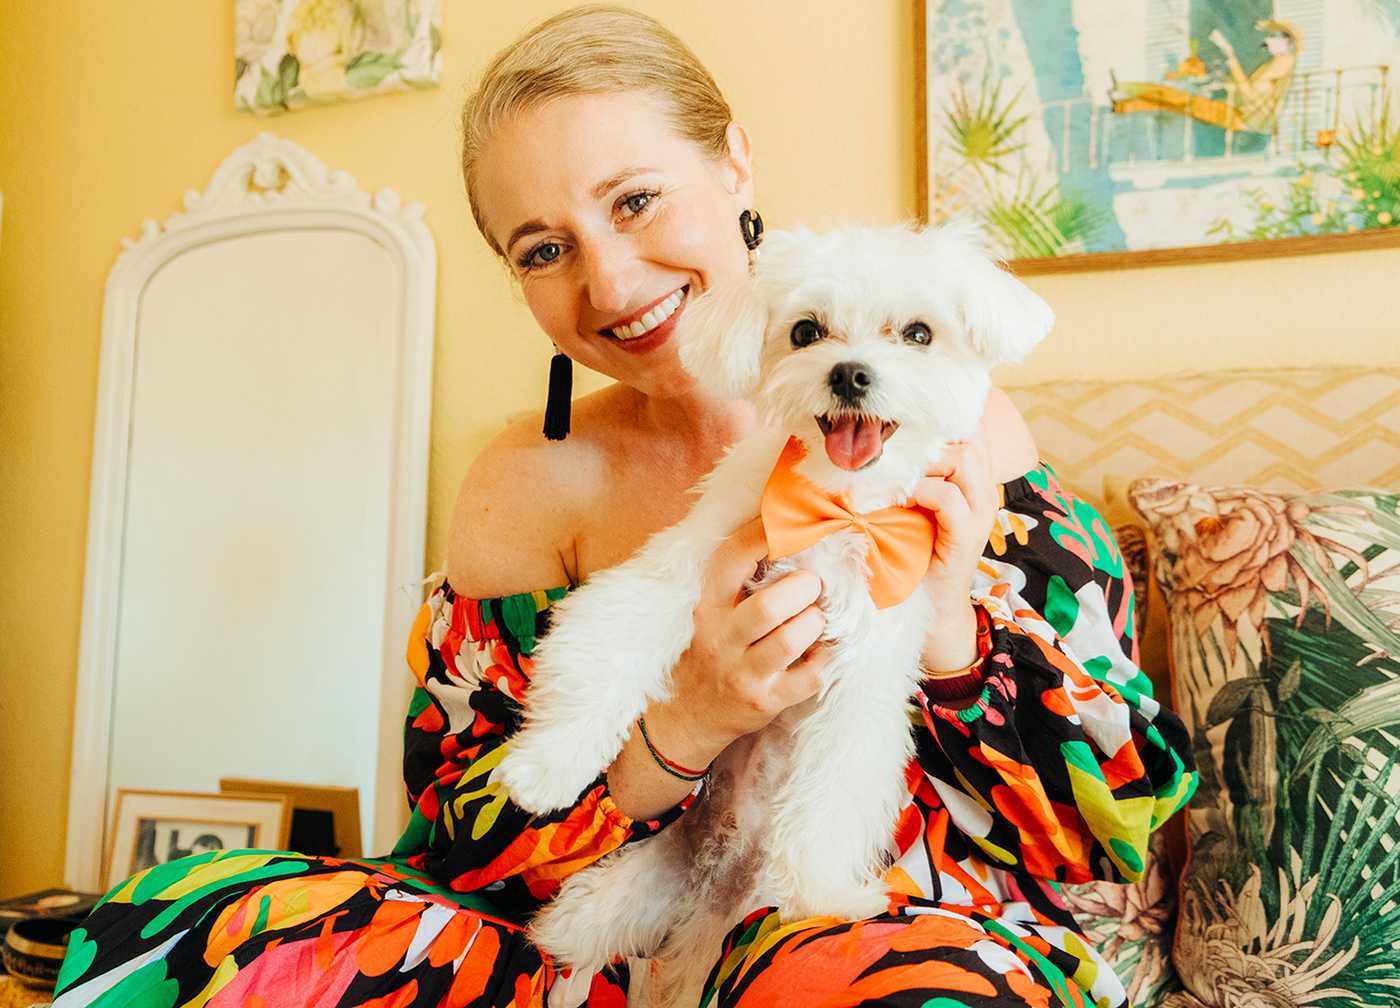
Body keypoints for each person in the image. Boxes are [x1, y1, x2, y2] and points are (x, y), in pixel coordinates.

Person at [54, 7, 1195, 1007]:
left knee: (839, 979)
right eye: (545, 249)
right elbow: (469, 846)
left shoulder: (957, 427)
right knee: (181, 921)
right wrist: (686, 722)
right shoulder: (525, 479)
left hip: (905, 919)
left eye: (636, 200)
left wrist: (948, 626)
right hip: (605, 906)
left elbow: (1114, 820)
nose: (607, 283)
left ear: (733, 164)